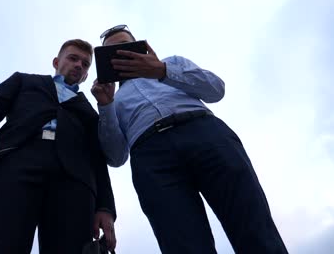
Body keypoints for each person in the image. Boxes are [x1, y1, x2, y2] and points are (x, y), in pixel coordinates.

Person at [91, 25, 288, 254]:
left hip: (204, 132)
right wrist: (105, 106)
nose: (121, 53)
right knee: (182, 244)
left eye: (126, 46)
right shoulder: (111, 98)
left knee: (253, 224)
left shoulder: (172, 62)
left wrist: (162, 70)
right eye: (112, 51)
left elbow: (216, 89)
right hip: (151, 156)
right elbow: (116, 157)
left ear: (141, 48)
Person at [0, 39, 116, 254]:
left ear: (87, 75)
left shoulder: (90, 112)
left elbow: (98, 159)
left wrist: (105, 207)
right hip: (15, 165)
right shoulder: (24, 81)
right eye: (73, 58)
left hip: (75, 182)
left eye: (85, 63)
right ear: (56, 61)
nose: (79, 65)